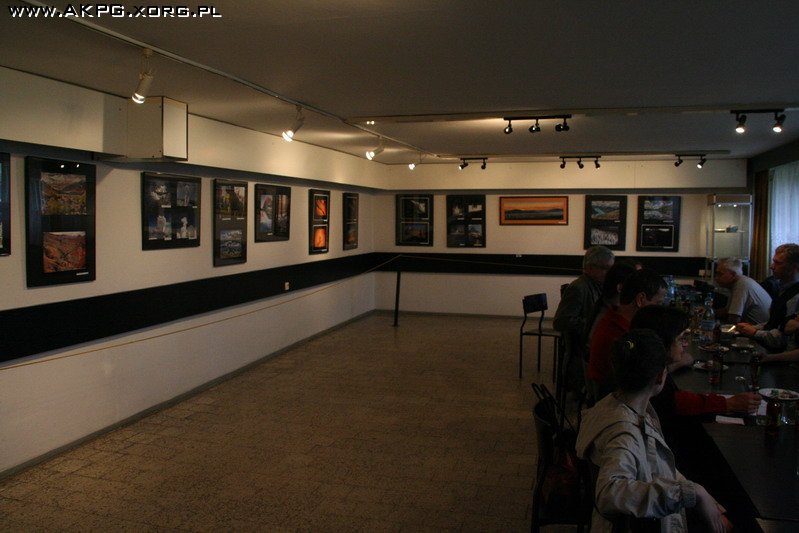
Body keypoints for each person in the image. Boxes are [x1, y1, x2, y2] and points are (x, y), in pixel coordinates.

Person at [576, 329, 730, 533]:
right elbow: (609, 494)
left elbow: (660, 467)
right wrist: (692, 492)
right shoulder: (624, 434)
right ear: (660, 376)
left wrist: (698, 493)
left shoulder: (614, 407)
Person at [586, 269, 672, 402]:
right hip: (616, 400)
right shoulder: (619, 335)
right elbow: (645, 377)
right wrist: (678, 363)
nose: (661, 309)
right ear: (640, 299)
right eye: (658, 303)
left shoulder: (615, 320)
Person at [554, 245, 614, 394]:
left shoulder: (597, 285)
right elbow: (561, 321)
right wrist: (594, 324)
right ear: (590, 267)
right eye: (605, 268)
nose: (609, 273)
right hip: (581, 354)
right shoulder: (578, 288)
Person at [737, 243, 799, 351]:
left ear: (794, 267)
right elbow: (775, 323)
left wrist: (755, 333)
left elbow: (786, 340)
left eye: (778, 263)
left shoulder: (796, 296)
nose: (771, 266)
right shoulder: (781, 288)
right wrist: (753, 327)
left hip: (781, 358)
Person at [713, 257, 772, 324]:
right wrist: (710, 312)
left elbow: (733, 319)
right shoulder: (741, 282)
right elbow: (727, 311)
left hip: (756, 329)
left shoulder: (741, 286)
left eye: (720, 274)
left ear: (733, 275)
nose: (716, 277)